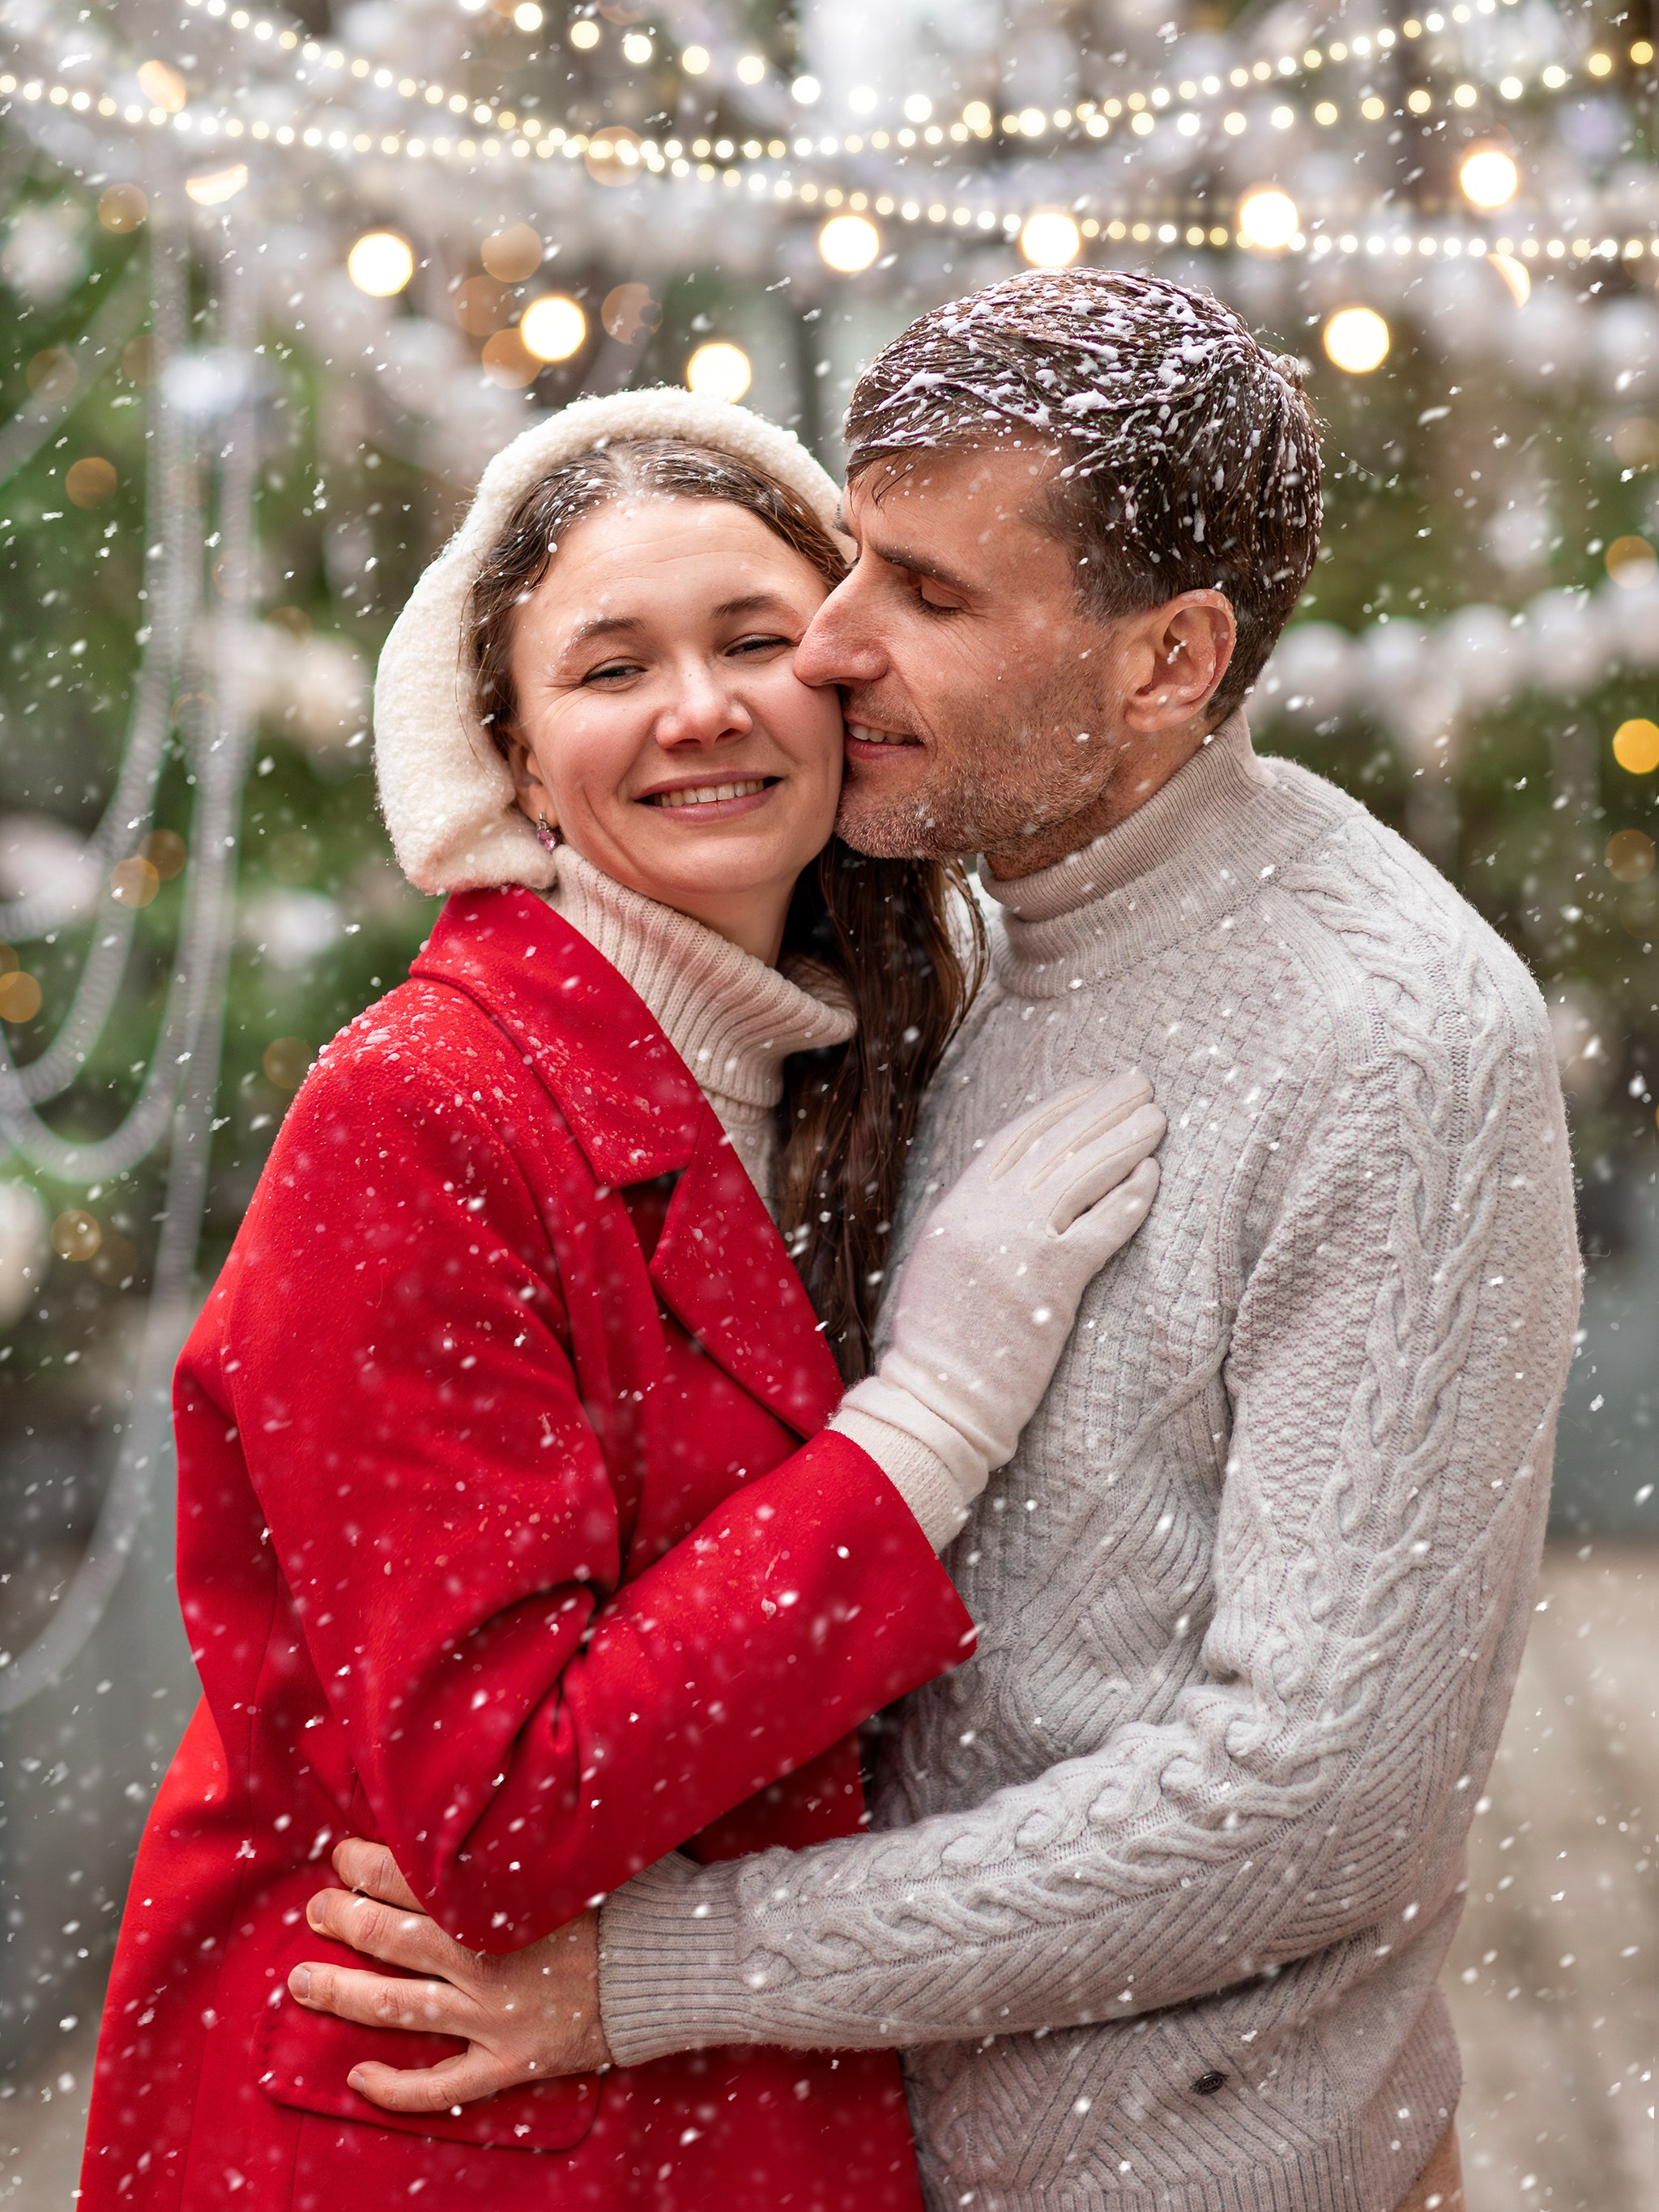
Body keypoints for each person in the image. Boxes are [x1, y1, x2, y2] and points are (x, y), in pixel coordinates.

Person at [293, 272, 1580, 2212]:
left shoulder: (1388, 1041)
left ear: (1167, 662)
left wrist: (668, 1969)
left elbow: (1316, 1804)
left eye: (926, 595)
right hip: (840, 2146)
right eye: (852, 560)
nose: (824, 648)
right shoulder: (929, 941)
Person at [75, 387, 1168, 2212]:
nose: (698, 709)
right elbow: (493, 1806)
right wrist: (930, 1420)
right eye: (610, 666)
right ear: (505, 749)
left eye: (757, 640)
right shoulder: (419, 1116)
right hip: (441, 2134)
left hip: (716, 2106)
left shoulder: (852, 1076)